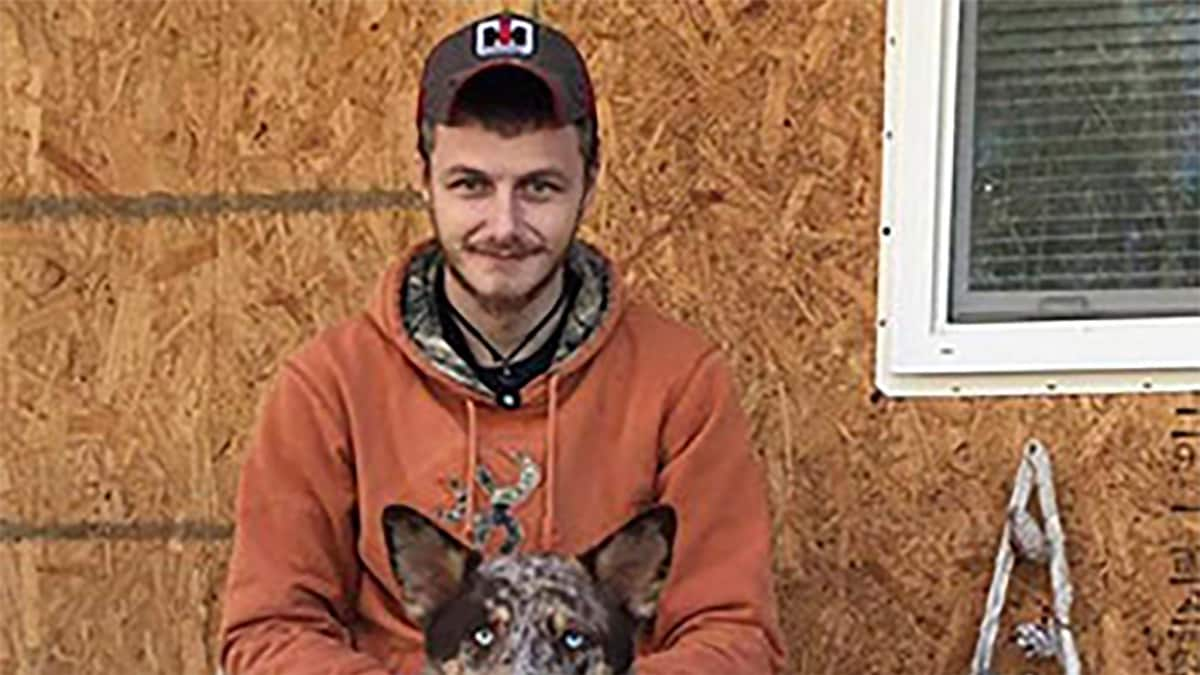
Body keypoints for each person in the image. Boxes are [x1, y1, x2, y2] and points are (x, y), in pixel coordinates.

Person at [218, 9, 786, 675]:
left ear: (590, 182)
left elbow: (735, 636)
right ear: (423, 177)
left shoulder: (681, 381)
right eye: (472, 185)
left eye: (539, 187)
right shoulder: (330, 385)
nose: (504, 223)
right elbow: (268, 633)